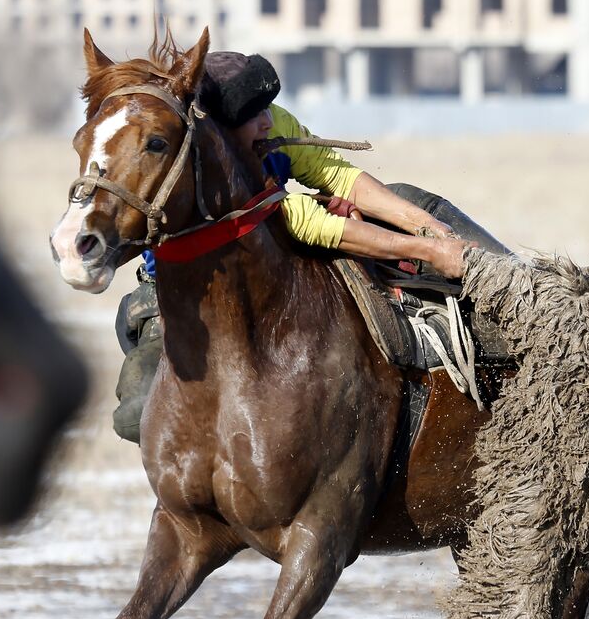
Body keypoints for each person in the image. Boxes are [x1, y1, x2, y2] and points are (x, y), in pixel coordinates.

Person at [113, 52, 491, 442]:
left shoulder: (270, 124)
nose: (269, 122)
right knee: (135, 416)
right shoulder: (213, 173)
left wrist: (428, 227)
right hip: (178, 297)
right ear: (218, 134)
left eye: (268, 108)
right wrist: (428, 252)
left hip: (264, 272)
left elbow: (336, 174)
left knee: (411, 198)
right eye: (254, 116)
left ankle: (510, 281)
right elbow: (312, 225)